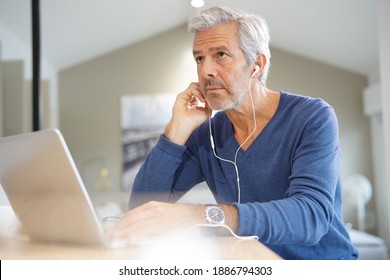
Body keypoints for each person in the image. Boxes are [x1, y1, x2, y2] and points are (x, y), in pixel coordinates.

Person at [110, 6, 358, 260]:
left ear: (257, 65)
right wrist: (176, 129)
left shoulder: (311, 117)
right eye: (199, 59)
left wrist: (203, 215)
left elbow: (311, 217)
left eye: (221, 55)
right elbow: (141, 208)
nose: (206, 71)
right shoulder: (206, 136)